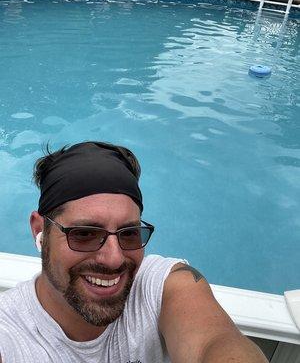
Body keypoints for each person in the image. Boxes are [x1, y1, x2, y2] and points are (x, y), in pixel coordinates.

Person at [0, 141, 267, 363]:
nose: (114, 258)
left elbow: (214, 341)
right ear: (39, 230)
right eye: (84, 234)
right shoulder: (10, 333)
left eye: (128, 234)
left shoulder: (160, 287)